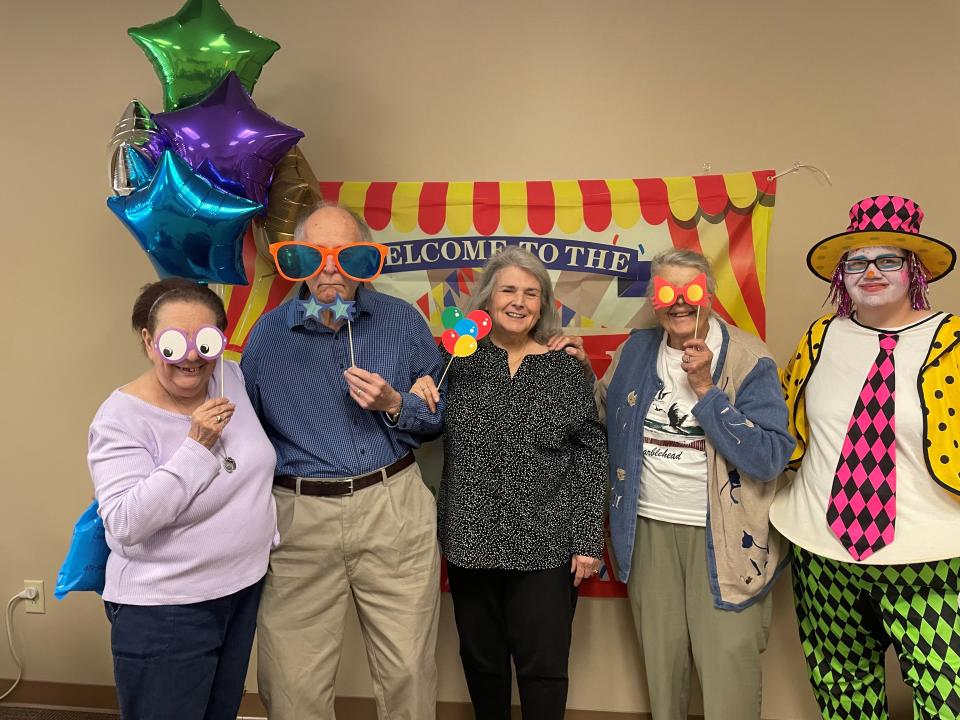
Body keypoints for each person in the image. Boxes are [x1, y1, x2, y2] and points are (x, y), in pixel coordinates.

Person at [242, 202, 445, 720]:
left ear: (363, 259)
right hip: (299, 515)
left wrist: (395, 403)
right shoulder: (268, 337)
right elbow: (248, 439)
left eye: (345, 254)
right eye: (317, 254)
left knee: (407, 671)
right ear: (300, 259)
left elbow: (439, 419)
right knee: (292, 680)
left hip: (392, 503)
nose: (331, 268)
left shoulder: (402, 322)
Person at [771, 195, 960, 720]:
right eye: (856, 261)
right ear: (841, 275)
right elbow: (785, 425)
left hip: (931, 559)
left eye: (889, 259)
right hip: (823, 552)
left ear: (915, 270)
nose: (870, 272)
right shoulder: (819, 337)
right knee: (843, 694)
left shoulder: (953, 340)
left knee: (948, 699)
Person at [591, 249, 794, 720]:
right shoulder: (635, 351)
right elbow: (601, 418)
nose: (679, 303)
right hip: (647, 530)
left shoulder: (748, 358)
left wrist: (706, 391)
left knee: (729, 676)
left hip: (727, 538)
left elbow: (769, 458)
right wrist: (573, 370)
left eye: (691, 291)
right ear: (653, 299)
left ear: (711, 294)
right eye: (666, 292)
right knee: (663, 673)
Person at [410, 245, 606, 720]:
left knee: (544, 666)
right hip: (470, 540)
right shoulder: (456, 360)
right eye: (508, 290)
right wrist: (419, 387)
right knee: (482, 663)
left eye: (531, 293)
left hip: (547, 545)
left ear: (543, 305)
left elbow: (591, 452)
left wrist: (586, 540)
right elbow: (420, 419)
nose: (518, 302)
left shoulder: (565, 369)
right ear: (488, 299)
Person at [89, 278, 278, 720]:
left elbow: (249, 471)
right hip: (166, 610)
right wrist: (195, 447)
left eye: (206, 341)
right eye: (174, 342)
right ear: (149, 341)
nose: (192, 356)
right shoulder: (121, 417)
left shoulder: (230, 377)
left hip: (238, 592)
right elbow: (124, 522)